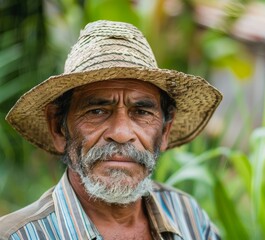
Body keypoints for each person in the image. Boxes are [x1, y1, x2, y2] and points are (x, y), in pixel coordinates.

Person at [0, 20, 222, 240]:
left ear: (165, 131)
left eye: (142, 112)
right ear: (59, 128)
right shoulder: (17, 236)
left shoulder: (189, 217)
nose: (122, 133)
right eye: (97, 111)